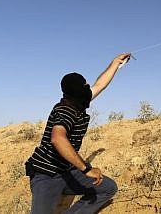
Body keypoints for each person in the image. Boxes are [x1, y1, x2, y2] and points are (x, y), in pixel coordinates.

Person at [25, 53, 131, 214]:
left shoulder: (77, 102)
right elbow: (57, 138)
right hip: (46, 176)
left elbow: (100, 84)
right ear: (78, 90)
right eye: (85, 85)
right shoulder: (66, 109)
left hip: (66, 173)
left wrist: (115, 63)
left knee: (107, 189)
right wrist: (86, 169)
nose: (88, 86)